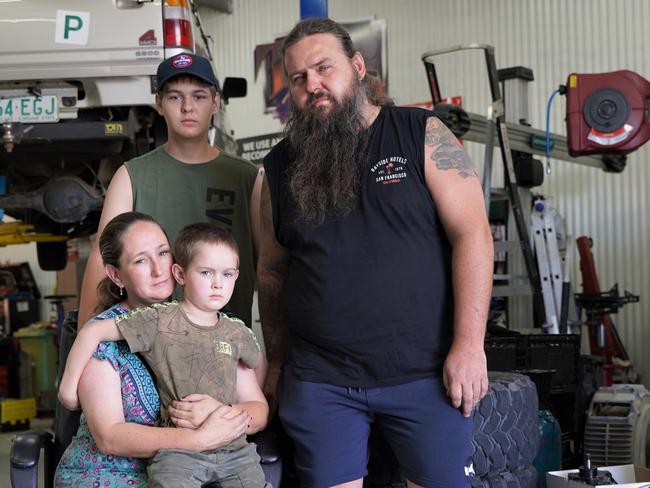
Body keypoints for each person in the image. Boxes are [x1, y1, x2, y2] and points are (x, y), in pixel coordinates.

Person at [257, 18, 494, 488]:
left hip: (425, 374)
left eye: (325, 68)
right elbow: (271, 273)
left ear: (358, 66)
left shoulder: (420, 134)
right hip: (321, 382)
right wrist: (278, 362)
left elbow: (474, 235)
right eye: (299, 78)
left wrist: (470, 345)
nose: (313, 85)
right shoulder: (275, 170)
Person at [60, 221, 270, 488]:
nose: (158, 270)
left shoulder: (216, 328)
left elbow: (255, 402)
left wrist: (220, 412)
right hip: (110, 474)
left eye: (162, 253)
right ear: (116, 275)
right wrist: (199, 439)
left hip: (192, 469)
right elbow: (109, 438)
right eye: (140, 261)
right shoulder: (106, 337)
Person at [77, 52, 262, 337]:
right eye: (175, 97)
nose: (188, 107)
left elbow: (268, 265)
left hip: (225, 349)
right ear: (159, 104)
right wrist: (86, 341)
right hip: (149, 348)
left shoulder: (247, 177)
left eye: (199, 96)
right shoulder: (131, 176)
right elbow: (102, 260)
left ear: (216, 103)